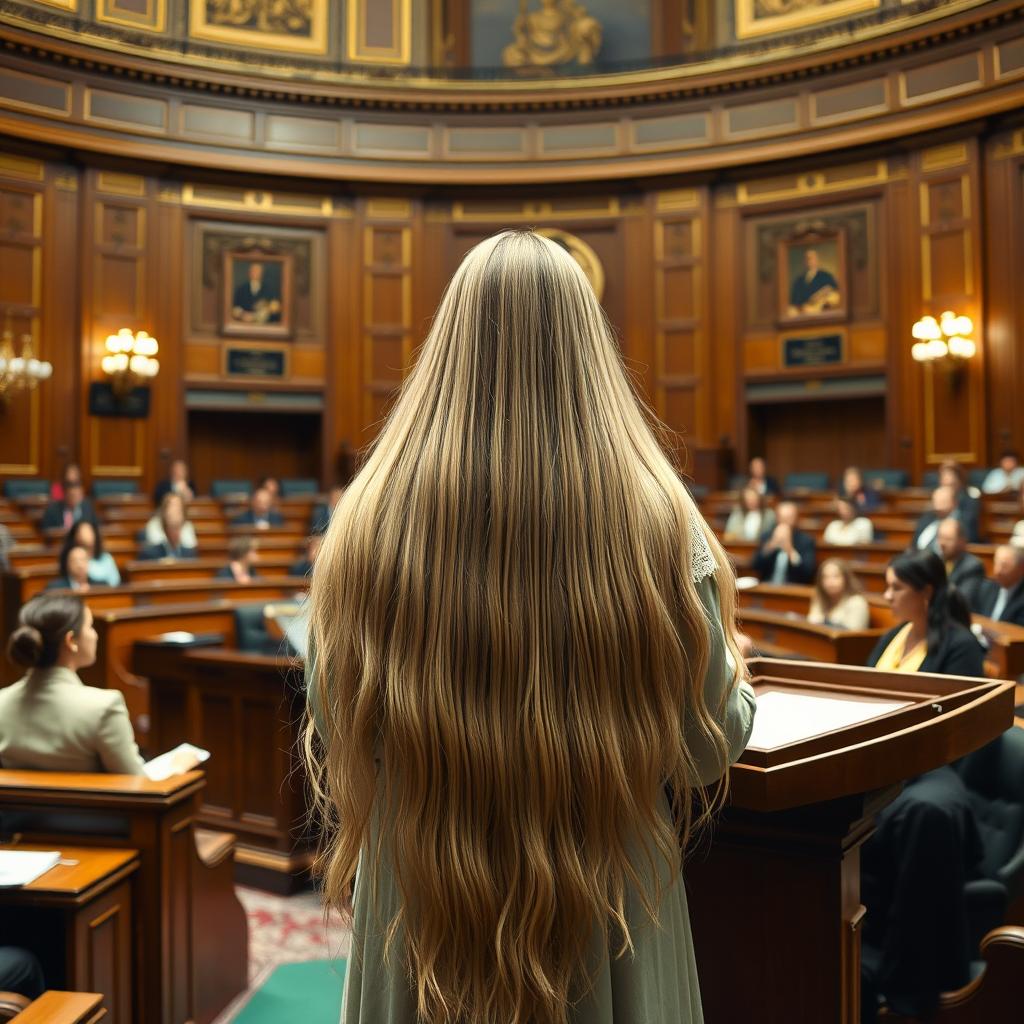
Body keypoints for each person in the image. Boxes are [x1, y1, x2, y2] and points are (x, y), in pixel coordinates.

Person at [303, 231, 756, 1024]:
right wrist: (736, 672)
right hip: (607, 911)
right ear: (591, 353)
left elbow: (339, 720)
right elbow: (705, 748)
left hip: (420, 900)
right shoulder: (659, 519)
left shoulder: (366, 522)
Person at [861, 550, 985, 1021]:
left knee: (921, 815)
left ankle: (909, 983)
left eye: (896, 588)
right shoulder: (893, 638)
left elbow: (959, 728)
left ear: (926, 592)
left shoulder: (960, 645)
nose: (887, 596)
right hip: (883, 765)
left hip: (936, 770)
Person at [0, 593, 145, 773]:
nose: (95, 635)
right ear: (71, 641)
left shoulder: (2, 703)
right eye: (90, 627)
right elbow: (138, 785)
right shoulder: (103, 707)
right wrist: (178, 765)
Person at [751, 501, 816, 584]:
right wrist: (771, 545)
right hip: (767, 586)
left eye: (789, 517)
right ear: (777, 518)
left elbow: (807, 573)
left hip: (794, 588)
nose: (785, 521)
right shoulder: (767, 536)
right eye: (782, 517)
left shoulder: (805, 540)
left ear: (796, 518)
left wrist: (790, 550)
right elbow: (755, 566)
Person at [808, 558, 870, 630]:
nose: (830, 582)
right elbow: (812, 624)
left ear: (846, 579)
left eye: (836, 576)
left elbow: (852, 636)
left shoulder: (857, 602)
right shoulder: (820, 598)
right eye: (825, 577)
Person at [970, 543, 1024, 625]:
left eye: (1005, 566)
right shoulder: (985, 588)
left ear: (1021, 568)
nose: (997, 571)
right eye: (996, 564)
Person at [58, 520, 120, 586]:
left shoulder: (102, 585)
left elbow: (115, 584)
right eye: (75, 561)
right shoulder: (71, 554)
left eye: (89, 531)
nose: (80, 565)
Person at [935, 518, 985, 601]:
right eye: (940, 538)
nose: (942, 543)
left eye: (948, 539)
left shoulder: (973, 566)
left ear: (961, 541)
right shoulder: (937, 561)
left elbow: (963, 600)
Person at [788, 247, 840, 315]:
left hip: (821, 313)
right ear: (804, 261)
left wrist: (820, 296)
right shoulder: (799, 280)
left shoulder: (826, 276)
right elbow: (794, 300)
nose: (809, 261)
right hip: (802, 314)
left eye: (812, 258)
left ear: (817, 260)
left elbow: (835, 292)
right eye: (807, 259)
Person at [938, 461, 980, 541]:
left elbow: (968, 533)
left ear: (959, 479)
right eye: (942, 476)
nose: (945, 480)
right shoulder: (936, 502)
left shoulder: (970, 503)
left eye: (949, 475)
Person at [912, 485, 960, 552]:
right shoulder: (926, 518)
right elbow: (913, 544)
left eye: (943, 501)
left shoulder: (962, 521)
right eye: (936, 501)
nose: (938, 505)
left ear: (954, 502)